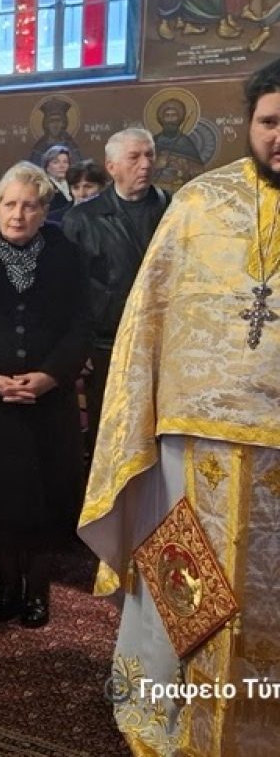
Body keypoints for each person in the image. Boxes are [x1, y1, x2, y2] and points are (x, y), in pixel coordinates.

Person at [79, 58, 280, 756]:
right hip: (195, 448)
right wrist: (135, 434)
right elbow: (147, 323)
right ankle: (171, 720)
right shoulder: (200, 205)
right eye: (269, 121)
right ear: (249, 123)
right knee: (188, 591)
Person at [0, 162, 93, 629]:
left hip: (50, 400)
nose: (18, 214)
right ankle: (6, 583)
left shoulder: (66, 254)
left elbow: (80, 327)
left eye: (30, 205)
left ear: (45, 209)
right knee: (0, 495)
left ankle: (38, 590)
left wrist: (50, 376)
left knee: (47, 493)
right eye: (10, 203)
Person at [63, 128, 170, 455]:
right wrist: (78, 348)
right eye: (135, 157)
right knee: (110, 436)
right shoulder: (81, 219)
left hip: (163, 343)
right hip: (107, 344)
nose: (145, 164)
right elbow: (70, 291)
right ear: (112, 167)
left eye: (149, 155)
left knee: (159, 435)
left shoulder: (173, 208)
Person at [40, 144, 73, 214]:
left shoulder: (74, 185)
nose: (62, 166)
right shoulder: (44, 188)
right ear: (47, 167)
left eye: (65, 162)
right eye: (56, 162)